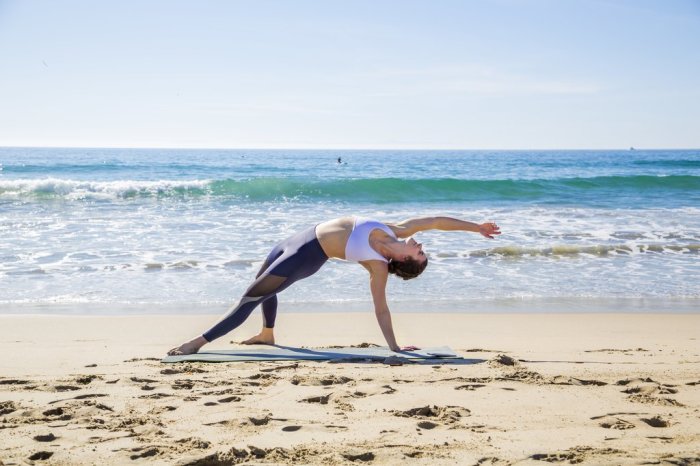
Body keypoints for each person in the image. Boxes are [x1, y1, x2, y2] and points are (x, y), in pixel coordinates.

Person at [167, 216, 501, 355]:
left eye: (421, 253)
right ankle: (267, 334)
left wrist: (395, 348)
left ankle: (196, 343)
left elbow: (381, 309)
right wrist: (477, 228)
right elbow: (439, 221)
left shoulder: (378, 267)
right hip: (297, 238)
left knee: (250, 298)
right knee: (260, 285)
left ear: (407, 261)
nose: (421, 244)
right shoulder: (396, 230)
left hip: (308, 255)